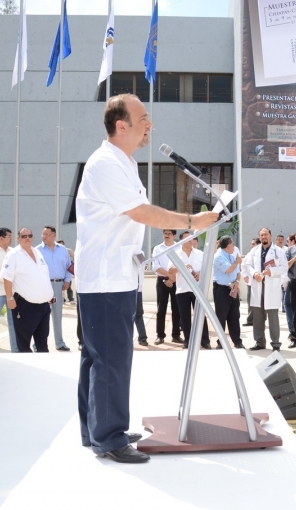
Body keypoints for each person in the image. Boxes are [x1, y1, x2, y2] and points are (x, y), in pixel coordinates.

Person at [74, 94, 217, 464]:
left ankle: (98, 429)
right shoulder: (106, 163)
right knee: (110, 360)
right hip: (106, 280)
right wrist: (192, 222)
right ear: (121, 126)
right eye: (143, 119)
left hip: (115, 276)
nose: (149, 125)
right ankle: (109, 437)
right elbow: (141, 213)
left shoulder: (123, 163)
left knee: (98, 358)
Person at [1, 228, 54, 352]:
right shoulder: (13, 255)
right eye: (24, 236)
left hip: (44, 306)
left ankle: (43, 369)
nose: (27, 238)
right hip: (25, 306)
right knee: (24, 343)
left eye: (30, 235)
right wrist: (9, 298)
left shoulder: (37, 252)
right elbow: (7, 278)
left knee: (42, 343)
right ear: (18, 238)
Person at [242, 228, 287, 351]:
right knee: (257, 317)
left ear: (270, 236)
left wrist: (271, 271)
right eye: (261, 235)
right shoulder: (254, 251)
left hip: (271, 287)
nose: (263, 237)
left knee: (273, 317)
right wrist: (254, 273)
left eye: (265, 234)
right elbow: (247, 265)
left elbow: (284, 267)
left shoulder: (278, 251)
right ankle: (260, 342)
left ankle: (276, 343)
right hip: (258, 286)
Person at [37, 225, 73, 351]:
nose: (44, 236)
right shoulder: (37, 250)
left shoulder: (63, 249)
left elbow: (69, 266)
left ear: (54, 235)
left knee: (57, 315)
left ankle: (59, 343)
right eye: (43, 234)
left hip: (58, 286)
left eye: (47, 234)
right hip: (44, 286)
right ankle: (39, 344)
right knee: (42, 315)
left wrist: (67, 280)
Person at [173, 231, 209, 348]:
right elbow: (170, 270)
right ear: (181, 240)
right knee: (185, 317)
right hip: (182, 289)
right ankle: (188, 341)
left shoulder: (200, 253)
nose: (190, 240)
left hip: (197, 289)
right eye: (187, 238)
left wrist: (200, 273)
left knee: (200, 316)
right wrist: (181, 267)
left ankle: (205, 341)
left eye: (191, 238)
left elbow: (207, 268)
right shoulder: (176, 254)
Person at [213, 236, 244, 348]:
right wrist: (237, 262)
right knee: (221, 316)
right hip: (221, 290)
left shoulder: (231, 256)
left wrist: (236, 281)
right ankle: (221, 342)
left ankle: (237, 341)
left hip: (233, 289)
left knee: (234, 316)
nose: (234, 246)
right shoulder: (218, 256)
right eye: (233, 243)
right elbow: (229, 270)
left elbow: (237, 273)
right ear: (228, 245)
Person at [152, 229, 182, 345]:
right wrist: (169, 276)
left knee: (176, 308)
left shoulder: (179, 248)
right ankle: (160, 335)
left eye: (169, 234)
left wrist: (172, 278)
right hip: (162, 280)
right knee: (161, 309)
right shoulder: (157, 248)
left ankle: (176, 335)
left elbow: (180, 264)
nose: (167, 236)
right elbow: (155, 266)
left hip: (176, 281)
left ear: (174, 235)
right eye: (165, 233)